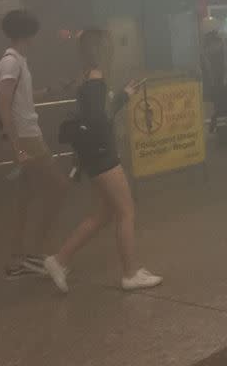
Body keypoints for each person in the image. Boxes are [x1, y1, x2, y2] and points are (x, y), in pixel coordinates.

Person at [43, 29, 163, 293]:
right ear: (103, 51)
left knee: (104, 213)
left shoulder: (86, 77)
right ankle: (130, 274)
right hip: (103, 156)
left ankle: (59, 260)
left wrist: (122, 95)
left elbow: (96, 113)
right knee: (126, 211)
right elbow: (98, 120)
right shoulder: (96, 80)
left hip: (92, 156)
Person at [0, 10, 70, 279]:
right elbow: (3, 105)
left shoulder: (18, 62)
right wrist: (17, 146)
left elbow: (21, 98)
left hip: (28, 135)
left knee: (25, 198)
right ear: (29, 34)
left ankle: (19, 258)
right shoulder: (11, 63)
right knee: (60, 188)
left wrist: (51, 91)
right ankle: (36, 252)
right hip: (26, 137)